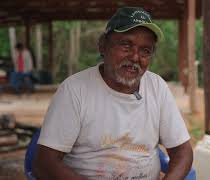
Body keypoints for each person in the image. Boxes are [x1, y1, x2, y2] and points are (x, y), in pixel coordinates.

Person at [33, 7, 193, 180]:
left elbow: (183, 151)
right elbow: (44, 163)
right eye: (126, 45)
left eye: (145, 50)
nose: (135, 57)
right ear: (103, 45)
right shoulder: (74, 90)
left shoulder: (157, 87)